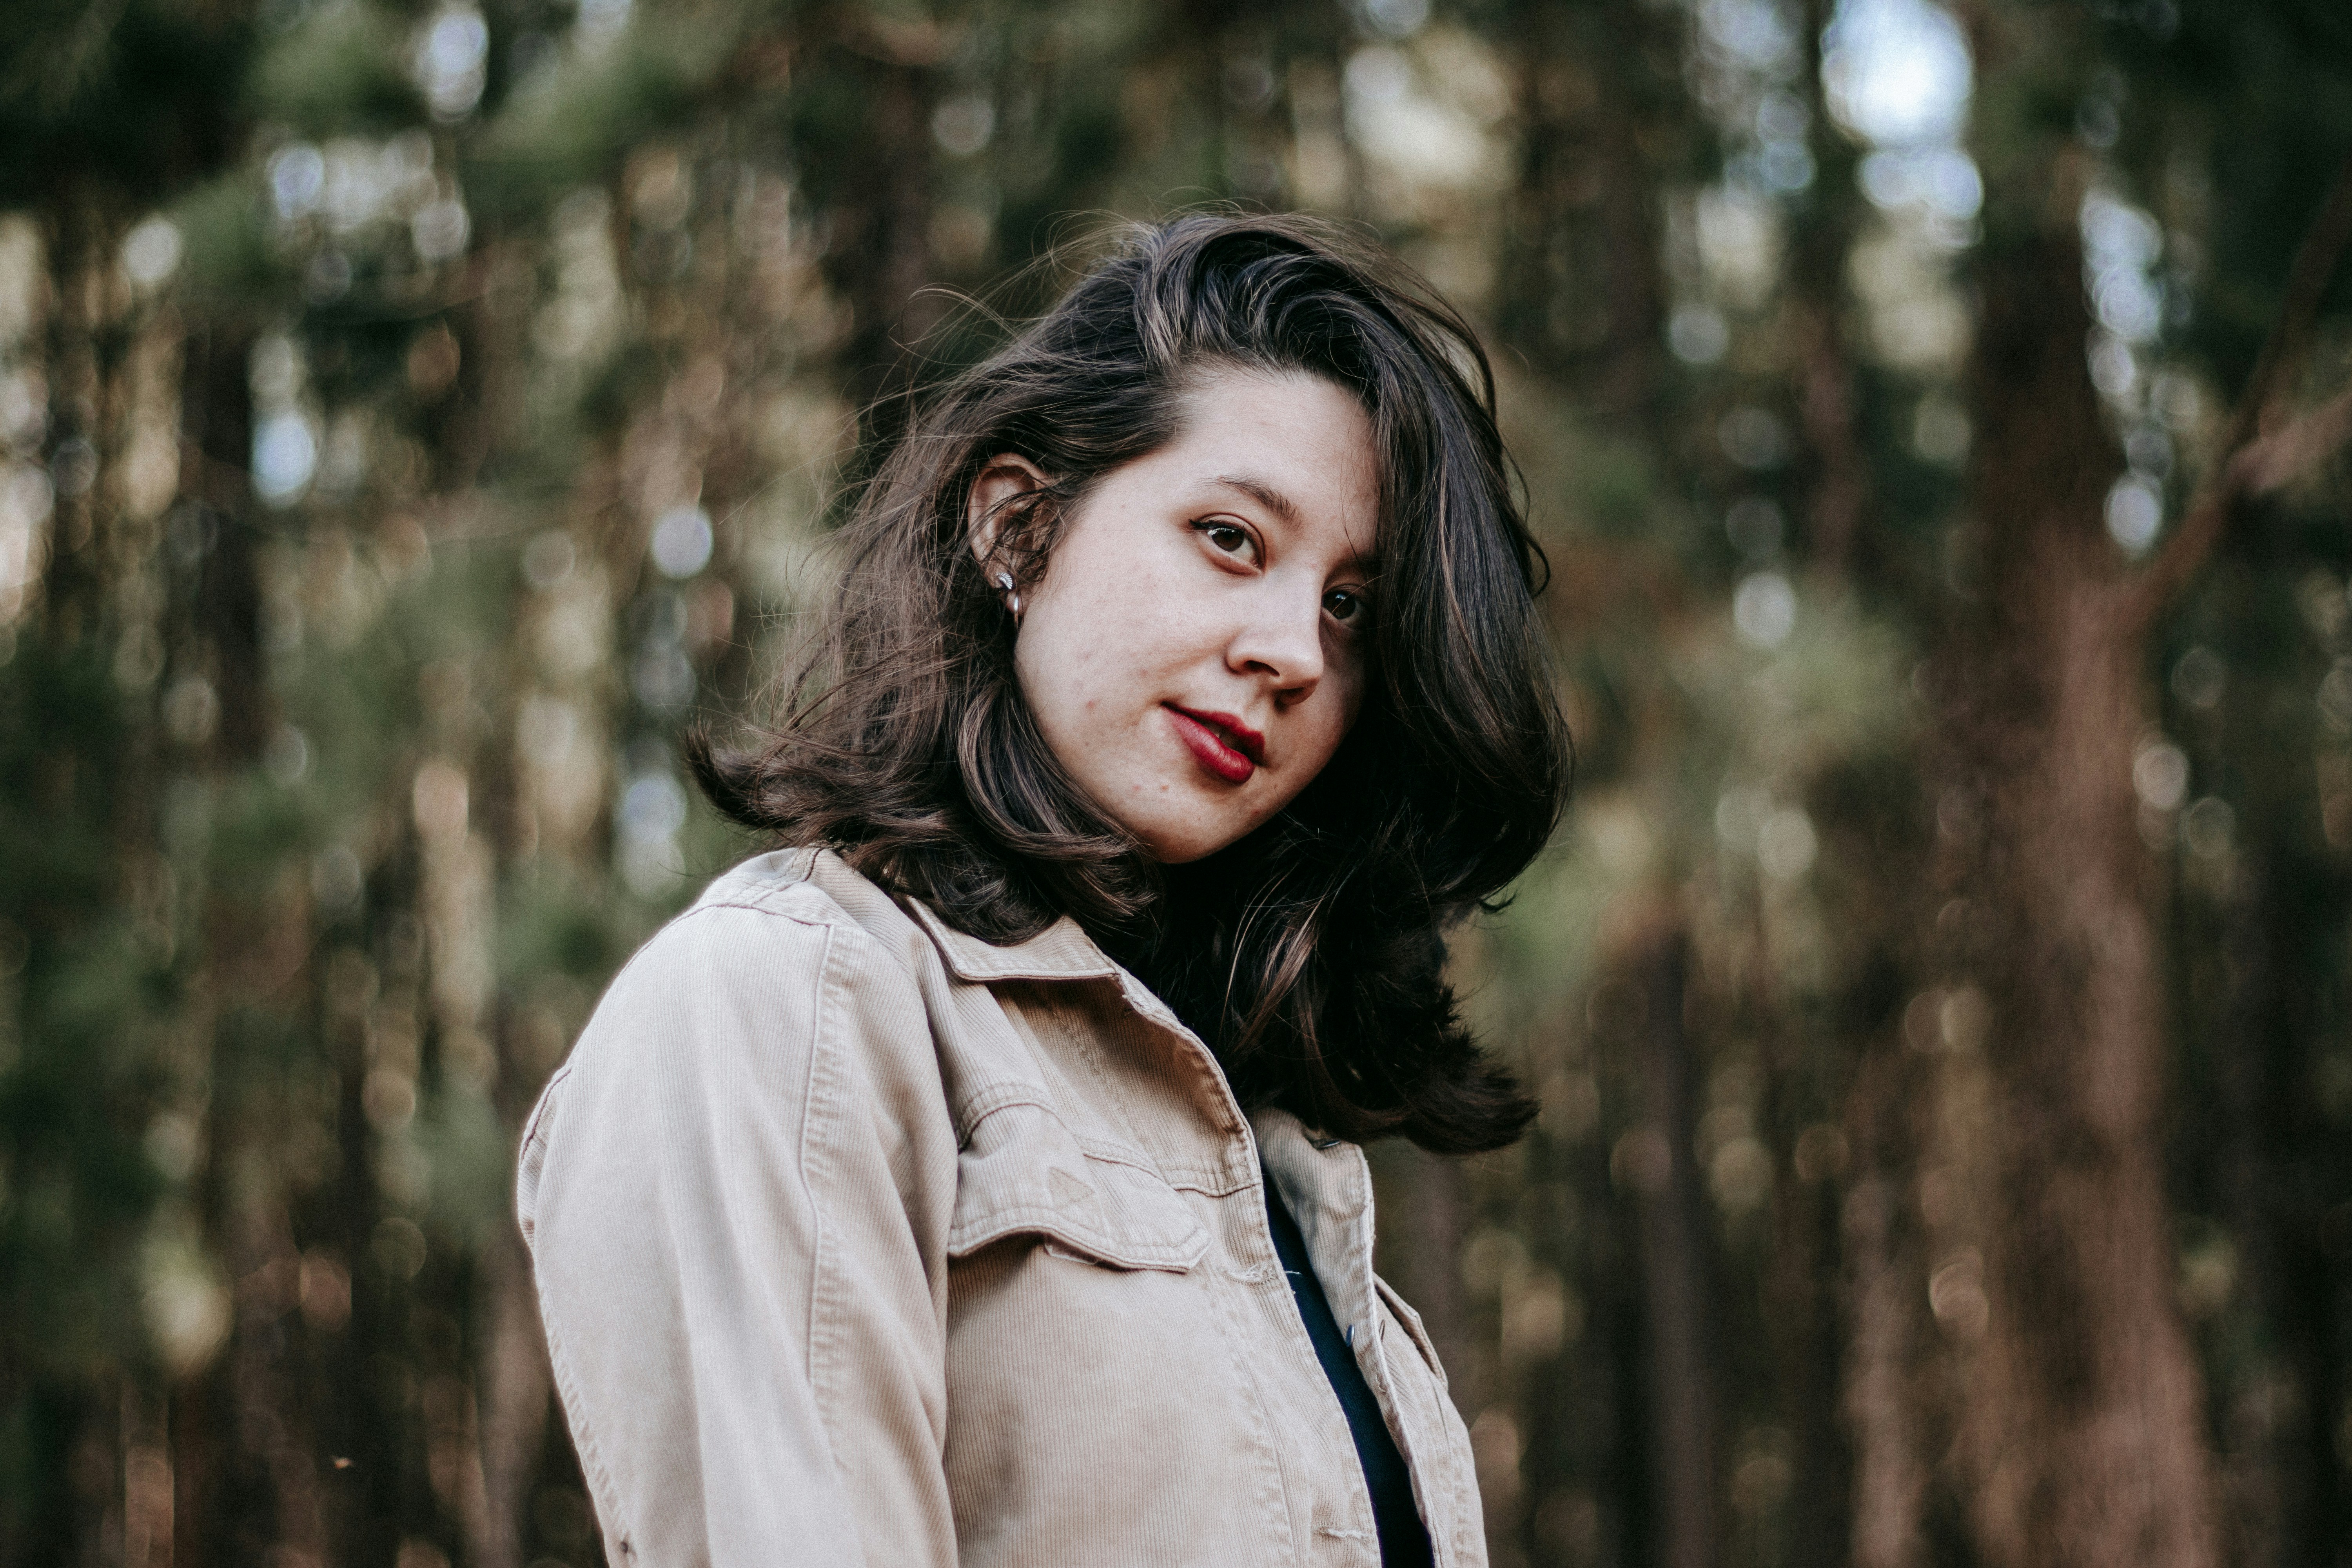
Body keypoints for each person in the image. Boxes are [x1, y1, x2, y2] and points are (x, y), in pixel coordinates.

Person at [515, 212, 1570, 1568]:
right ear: (1018, 526)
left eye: (1352, 607)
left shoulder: (1262, 1132)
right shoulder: (787, 1007)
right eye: (1234, 539)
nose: (1293, 652)